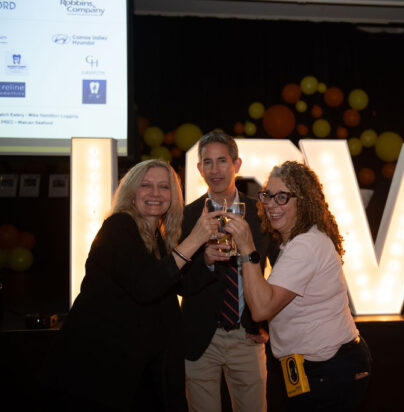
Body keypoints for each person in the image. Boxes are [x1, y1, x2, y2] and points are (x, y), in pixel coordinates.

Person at [41, 159, 221, 411]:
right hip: (95, 370)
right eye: (146, 185)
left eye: (164, 187)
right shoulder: (118, 227)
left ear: (173, 196)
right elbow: (147, 286)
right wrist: (194, 240)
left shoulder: (156, 235)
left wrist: (207, 259)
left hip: (134, 368)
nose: (155, 193)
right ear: (131, 192)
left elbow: (177, 284)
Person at [224, 160, 372, 412]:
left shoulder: (305, 245)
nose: (271, 204)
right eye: (268, 195)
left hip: (330, 369)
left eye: (282, 197)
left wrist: (247, 247)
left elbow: (261, 308)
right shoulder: (298, 241)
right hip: (320, 368)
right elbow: (281, 302)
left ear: (303, 202)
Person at [180, 131, 275, 412]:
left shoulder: (261, 213)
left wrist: (267, 322)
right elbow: (178, 282)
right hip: (200, 338)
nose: (215, 170)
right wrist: (205, 262)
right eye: (207, 162)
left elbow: (281, 273)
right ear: (199, 169)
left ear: (237, 164)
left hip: (247, 335)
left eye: (222, 160)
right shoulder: (186, 216)